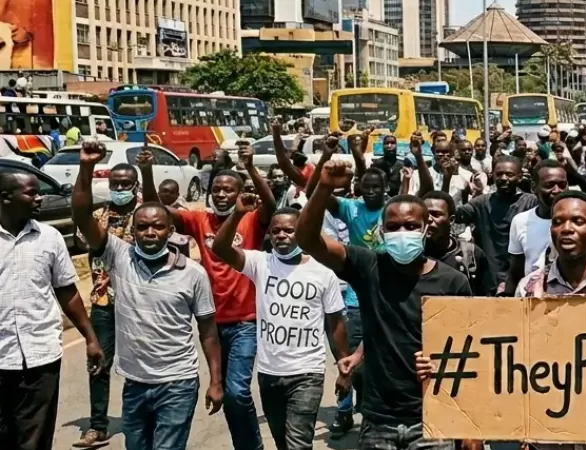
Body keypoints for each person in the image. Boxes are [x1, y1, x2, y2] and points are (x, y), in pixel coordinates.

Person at [298, 159, 473, 449]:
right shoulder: (367, 267)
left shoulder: (452, 283)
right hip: (378, 419)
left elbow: (470, 354)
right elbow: (308, 239)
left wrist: (468, 429)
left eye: (410, 225)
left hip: (434, 418)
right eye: (393, 227)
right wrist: (324, 187)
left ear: (426, 228)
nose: (402, 232)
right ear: (382, 231)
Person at [71, 141, 223, 450]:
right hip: (135, 384)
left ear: (170, 231)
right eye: (142, 227)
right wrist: (86, 167)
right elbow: (82, 215)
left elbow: (208, 331)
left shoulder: (193, 274)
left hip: (178, 384)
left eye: (157, 226)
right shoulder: (119, 255)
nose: (150, 232)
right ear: (133, 230)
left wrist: (216, 380)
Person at [142, 140, 276, 450]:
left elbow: (270, 204)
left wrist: (251, 168)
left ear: (239, 192)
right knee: (229, 396)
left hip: (246, 321)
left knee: (236, 391)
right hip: (213, 323)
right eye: (217, 189)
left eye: (229, 189)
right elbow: (156, 210)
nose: (222, 194)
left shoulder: (250, 217)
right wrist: (146, 172)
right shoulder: (198, 220)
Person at [211, 199, 351, 450]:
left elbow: (336, 323)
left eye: (289, 230)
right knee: (281, 442)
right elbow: (220, 248)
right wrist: (238, 214)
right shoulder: (260, 263)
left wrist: (343, 365)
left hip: (307, 373)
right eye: (275, 231)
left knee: (298, 444)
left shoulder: (323, 272)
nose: (281, 235)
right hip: (269, 374)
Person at [0, 167, 99, 450]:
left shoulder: (50, 237)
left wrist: (90, 337)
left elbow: (66, 290)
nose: (40, 198)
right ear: (6, 198)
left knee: (34, 441)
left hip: (41, 356)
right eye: (32, 193)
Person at [73, 162, 141, 448]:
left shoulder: (146, 215)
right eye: (116, 184)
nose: (121, 189)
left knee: (139, 364)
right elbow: (83, 238)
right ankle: (98, 426)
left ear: (136, 185)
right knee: (98, 363)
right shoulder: (98, 216)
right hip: (105, 302)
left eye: (127, 184)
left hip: (139, 302)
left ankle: (139, 420)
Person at [454, 155, 539, 295]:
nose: (504, 178)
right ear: (492, 175)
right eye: (499, 174)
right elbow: (453, 216)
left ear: (519, 177)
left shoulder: (530, 202)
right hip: (489, 277)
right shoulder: (481, 203)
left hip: (521, 275)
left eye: (510, 174)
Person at [506, 159, 569, 294]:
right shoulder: (520, 221)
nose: (557, 191)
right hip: (532, 300)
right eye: (550, 185)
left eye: (562, 185)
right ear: (534, 187)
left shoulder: (577, 224)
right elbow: (515, 272)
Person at [421, 191, 495, 295]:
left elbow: (486, 297)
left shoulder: (471, 254)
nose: (428, 219)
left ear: (451, 220)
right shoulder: (412, 253)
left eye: (436, 214)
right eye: (424, 214)